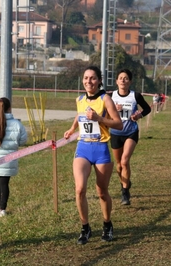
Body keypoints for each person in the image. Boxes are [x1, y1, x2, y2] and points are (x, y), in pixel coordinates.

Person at [63, 66, 122, 245]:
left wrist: (99, 119)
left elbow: (118, 124)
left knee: (102, 192)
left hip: (101, 148)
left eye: (93, 78)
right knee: (80, 189)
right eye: (86, 78)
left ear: (99, 81)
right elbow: (80, 114)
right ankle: (85, 227)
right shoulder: (80, 99)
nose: (89, 81)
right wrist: (72, 128)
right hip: (83, 148)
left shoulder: (106, 99)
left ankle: (107, 224)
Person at [110, 69, 151, 205]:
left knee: (124, 161)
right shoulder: (110, 96)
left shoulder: (135, 96)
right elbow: (103, 112)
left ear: (130, 81)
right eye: (120, 78)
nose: (123, 80)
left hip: (130, 132)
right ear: (116, 81)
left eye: (126, 78)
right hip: (115, 133)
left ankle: (125, 192)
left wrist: (138, 115)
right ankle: (125, 182)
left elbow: (147, 109)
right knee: (118, 165)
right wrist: (113, 110)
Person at [0, 97, 28, 218]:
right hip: (9, 160)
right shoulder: (17, 125)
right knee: (5, 184)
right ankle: (2, 208)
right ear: (9, 108)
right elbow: (23, 140)